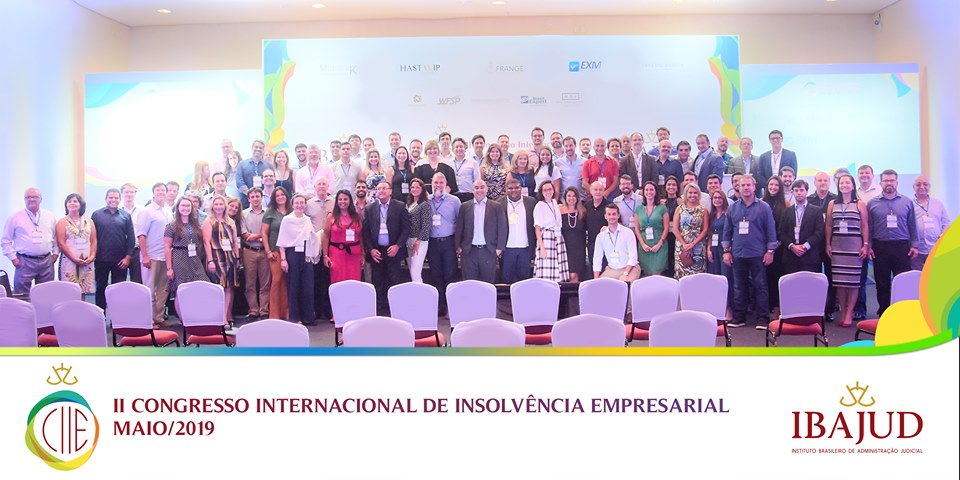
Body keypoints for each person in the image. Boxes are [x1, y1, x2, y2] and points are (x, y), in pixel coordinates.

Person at [722, 175, 778, 329]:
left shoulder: (764, 207)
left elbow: (771, 230)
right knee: (739, 287)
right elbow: (727, 231)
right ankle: (739, 318)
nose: (746, 188)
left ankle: (762, 319)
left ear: (754, 187)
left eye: (749, 185)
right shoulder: (733, 208)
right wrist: (726, 251)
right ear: (738, 188)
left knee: (761, 286)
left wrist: (770, 251)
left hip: (758, 253)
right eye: (743, 185)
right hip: (738, 253)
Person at [867, 169, 920, 316]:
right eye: (886, 180)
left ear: (897, 182)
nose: (889, 183)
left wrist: (915, 245)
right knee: (882, 282)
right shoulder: (872, 203)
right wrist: (869, 246)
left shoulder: (906, 201)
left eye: (892, 180)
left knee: (902, 281)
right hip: (880, 246)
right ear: (881, 183)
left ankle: (901, 312)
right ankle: (884, 311)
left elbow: (912, 224)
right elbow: (869, 227)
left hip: (901, 246)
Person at [825, 174, 870, 327]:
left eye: (847, 183)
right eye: (841, 183)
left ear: (852, 185)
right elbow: (829, 225)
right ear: (838, 186)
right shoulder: (832, 204)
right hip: (837, 247)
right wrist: (828, 244)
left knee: (853, 282)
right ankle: (843, 311)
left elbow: (865, 225)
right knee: (840, 282)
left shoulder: (860, 204)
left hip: (854, 247)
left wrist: (865, 245)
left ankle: (849, 312)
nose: (844, 185)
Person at [363, 182, 410, 314]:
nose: (381, 191)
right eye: (379, 189)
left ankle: (393, 308)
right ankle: (378, 309)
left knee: (393, 280)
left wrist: (398, 245)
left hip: (393, 250)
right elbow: (365, 232)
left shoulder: (400, 206)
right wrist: (371, 249)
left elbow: (406, 229)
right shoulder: (369, 208)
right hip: (377, 251)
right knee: (377, 280)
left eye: (384, 188)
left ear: (390, 191)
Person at [3, 188, 59, 294]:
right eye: (28, 197)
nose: (31, 199)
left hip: (46, 261)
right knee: (22, 295)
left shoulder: (49, 216)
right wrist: (13, 258)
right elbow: (5, 240)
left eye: (35, 197)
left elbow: (56, 237)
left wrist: (55, 253)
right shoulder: (15, 217)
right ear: (24, 200)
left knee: (46, 294)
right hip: (24, 261)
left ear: (41, 199)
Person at [278, 194, 321, 325]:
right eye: (297, 203)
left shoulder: (307, 220)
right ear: (292, 205)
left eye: (302, 203)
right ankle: (295, 318)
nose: (299, 205)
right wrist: (283, 259)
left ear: (305, 205)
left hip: (306, 254)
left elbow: (312, 237)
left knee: (308, 286)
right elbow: (281, 241)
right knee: (293, 286)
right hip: (292, 255)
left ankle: (308, 316)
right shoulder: (287, 220)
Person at [453, 179, 506, 284]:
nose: (479, 190)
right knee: (469, 284)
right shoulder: (464, 206)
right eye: (476, 188)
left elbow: (502, 228)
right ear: (472, 190)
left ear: (487, 189)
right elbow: (459, 228)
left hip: (488, 251)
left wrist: (499, 248)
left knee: (487, 284)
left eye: (482, 187)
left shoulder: (496, 206)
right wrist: (458, 246)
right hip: (469, 252)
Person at [164, 197, 210, 314]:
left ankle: (195, 315)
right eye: (183, 206)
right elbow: (167, 247)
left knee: (201, 285)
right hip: (179, 259)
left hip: (194, 259)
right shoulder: (171, 226)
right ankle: (183, 319)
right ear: (178, 208)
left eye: (188, 206)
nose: (186, 208)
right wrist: (169, 268)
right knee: (181, 291)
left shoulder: (194, 225)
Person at [91, 188, 135, 309]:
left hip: (120, 260)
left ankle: (118, 316)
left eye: (116, 198)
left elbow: (131, 238)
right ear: (106, 199)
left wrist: (127, 257)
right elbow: (92, 237)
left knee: (118, 290)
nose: (113, 200)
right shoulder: (96, 215)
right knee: (100, 288)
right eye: (111, 197)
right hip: (101, 259)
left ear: (120, 199)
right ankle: (100, 315)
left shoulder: (126, 215)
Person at [201, 194, 240, 326]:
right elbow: (206, 242)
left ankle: (224, 316)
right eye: (216, 204)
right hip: (216, 257)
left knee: (228, 288)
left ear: (225, 206)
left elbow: (235, 241)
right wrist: (210, 261)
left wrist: (237, 257)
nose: (218, 207)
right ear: (212, 206)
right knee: (218, 288)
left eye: (221, 204)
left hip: (230, 258)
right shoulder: (208, 222)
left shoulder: (230, 222)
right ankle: (218, 318)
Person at [425, 173, 461, 314]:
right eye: (436, 182)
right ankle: (440, 306)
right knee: (436, 275)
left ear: (446, 185)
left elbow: (460, 223)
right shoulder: (426, 200)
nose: (438, 185)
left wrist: (458, 244)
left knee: (450, 275)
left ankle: (451, 306)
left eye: (441, 183)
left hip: (449, 243)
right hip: (433, 243)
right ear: (432, 184)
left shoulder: (454, 201)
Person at [137, 183, 170, 324]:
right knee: (149, 289)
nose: (161, 192)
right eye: (158, 190)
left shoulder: (168, 210)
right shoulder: (147, 211)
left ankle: (159, 317)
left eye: (163, 190)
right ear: (153, 193)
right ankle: (148, 320)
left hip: (165, 257)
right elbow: (141, 235)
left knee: (163, 289)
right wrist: (145, 256)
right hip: (151, 257)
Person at [808, 171, 839, 318]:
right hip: (813, 244)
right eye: (820, 180)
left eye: (825, 180)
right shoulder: (809, 200)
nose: (823, 183)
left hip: (831, 244)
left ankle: (830, 309)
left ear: (830, 183)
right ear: (815, 182)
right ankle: (814, 309)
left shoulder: (836, 200)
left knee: (831, 277)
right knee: (814, 277)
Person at [779, 180, 825, 275]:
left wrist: (805, 246)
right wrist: (792, 246)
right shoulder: (786, 212)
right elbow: (781, 233)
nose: (799, 193)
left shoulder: (816, 211)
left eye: (801, 190)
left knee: (809, 284)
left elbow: (819, 232)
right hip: (790, 257)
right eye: (796, 190)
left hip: (810, 257)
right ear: (792, 192)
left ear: (807, 192)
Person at [306, 177, 335, 321]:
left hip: (332, 244)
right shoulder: (308, 204)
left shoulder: (334, 202)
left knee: (329, 278)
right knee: (316, 278)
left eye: (324, 184)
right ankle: (317, 309)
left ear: (328, 186)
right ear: (315, 187)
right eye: (319, 184)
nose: (322, 186)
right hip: (314, 245)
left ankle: (329, 309)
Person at [55, 193, 96, 294]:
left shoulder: (89, 221)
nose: (72, 203)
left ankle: (82, 305)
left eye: (75, 201)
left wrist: (92, 256)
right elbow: (61, 243)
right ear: (66, 205)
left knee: (84, 290)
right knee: (69, 291)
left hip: (86, 261)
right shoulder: (62, 222)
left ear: (81, 204)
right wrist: (74, 258)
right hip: (69, 261)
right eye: (69, 201)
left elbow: (93, 241)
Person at [498, 178, 537, 284]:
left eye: (516, 188)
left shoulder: (531, 202)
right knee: (506, 280)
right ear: (506, 189)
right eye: (510, 188)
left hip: (525, 248)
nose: (514, 190)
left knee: (524, 281)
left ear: (521, 188)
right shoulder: (499, 203)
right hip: (507, 249)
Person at [261, 187, 291, 320]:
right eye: (277, 195)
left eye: (282, 194)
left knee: (286, 282)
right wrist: (268, 251)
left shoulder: (292, 211)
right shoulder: (270, 212)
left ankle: (286, 313)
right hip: (275, 251)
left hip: (291, 251)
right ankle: (274, 314)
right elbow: (264, 233)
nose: (280, 197)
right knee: (277, 280)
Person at [240, 187, 270, 320]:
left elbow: (269, 232)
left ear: (261, 197)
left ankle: (264, 310)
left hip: (265, 251)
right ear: (248, 199)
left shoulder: (268, 212)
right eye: (252, 197)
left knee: (265, 283)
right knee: (250, 283)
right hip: (249, 251)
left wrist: (256, 236)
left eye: (257, 196)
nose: (255, 199)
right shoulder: (243, 214)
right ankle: (253, 310)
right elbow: (245, 234)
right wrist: (261, 236)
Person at [323, 190, 364, 284]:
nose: (343, 201)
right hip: (337, 254)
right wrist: (325, 255)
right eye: (340, 199)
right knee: (338, 280)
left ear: (350, 201)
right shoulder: (331, 216)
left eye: (345, 199)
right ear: (337, 201)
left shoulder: (356, 216)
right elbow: (325, 236)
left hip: (354, 254)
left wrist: (363, 254)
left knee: (354, 281)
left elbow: (360, 236)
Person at [762, 176, 789, 314]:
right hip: (763, 246)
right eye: (771, 184)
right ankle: (767, 307)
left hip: (780, 246)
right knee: (765, 278)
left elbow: (787, 225)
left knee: (778, 276)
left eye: (776, 185)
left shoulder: (785, 203)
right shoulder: (761, 202)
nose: (773, 187)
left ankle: (778, 308)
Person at [912, 175, 951, 271]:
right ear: (913, 187)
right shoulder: (909, 204)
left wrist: (942, 237)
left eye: (925, 184)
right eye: (918, 184)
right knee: (917, 276)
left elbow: (946, 223)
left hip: (935, 248)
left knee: (935, 274)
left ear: (929, 186)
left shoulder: (938, 204)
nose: (922, 187)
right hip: (917, 250)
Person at [533, 180, 570, 282]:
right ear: (541, 192)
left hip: (558, 237)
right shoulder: (540, 205)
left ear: (553, 190)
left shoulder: (555, 203)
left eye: (550, 189)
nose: (548, 192)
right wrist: (542, 248)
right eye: (545, 190)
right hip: (547, 239)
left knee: (558, 269)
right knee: (547, 269)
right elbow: (537, 229)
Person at [593, 203, 640, 281]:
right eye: (609, 214)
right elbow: (597, 259)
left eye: (614, 214)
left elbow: (633, 257)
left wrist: (625, 273)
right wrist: (596, 279)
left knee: (624, 283)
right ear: (605, 216)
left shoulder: (628, 232)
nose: (612, 217)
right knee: (601, 285)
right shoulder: (601, 236)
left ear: (618, 215)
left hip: (630, 268)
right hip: (611, 270)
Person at [706, 189, 733, 316]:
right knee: (714, 279)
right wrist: (708, 249)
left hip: (724, 249)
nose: (717, 200)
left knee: (725, 279)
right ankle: (717, 308)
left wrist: (729, 250)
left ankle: (728, 309)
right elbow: (710, 234)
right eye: (715, 198)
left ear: (724, 199)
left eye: (719, 198)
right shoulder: (711, 215)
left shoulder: (728, 214)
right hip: (714, 249)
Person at [673, 183, 709, 278]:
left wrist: (692, 244)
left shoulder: (703, 210)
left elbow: (705, 230)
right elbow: (675, 229)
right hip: (682, 247)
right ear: (686, 194)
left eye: (695, 193)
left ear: (699, 194)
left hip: (698, 247)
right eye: (690, 193)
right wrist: (684, 244)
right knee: (682, 275)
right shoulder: (679, 208)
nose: (693, 195)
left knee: (697, 276)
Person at [635, 181, 670, 277]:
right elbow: (637, 229)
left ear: (655, 192)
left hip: (659, 243)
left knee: (657, 272)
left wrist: (659, 244)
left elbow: (666, 227)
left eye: (651, 190)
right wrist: (642, 244)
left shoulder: (662, 208)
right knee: (646, 273)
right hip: (644, 244)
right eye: (646, 190)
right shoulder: (638, 209)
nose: (649, 192)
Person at [405, 178, 433, 283]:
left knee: (415, 272)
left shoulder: (425, 204)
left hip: (419, 241)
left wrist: (418, 241)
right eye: (412, 187)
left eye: (417, 187)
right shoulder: (409, 203)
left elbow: (426, 225)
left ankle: (420, 292)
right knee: (411, 270)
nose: (414, 189)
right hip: (408, 240)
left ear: (422, 189)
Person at [560, 187, 587, 282]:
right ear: (565, 197)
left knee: (575, 275)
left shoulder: (582, 211)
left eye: (574, 196)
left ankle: (575, 292)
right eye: (569, 196)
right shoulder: (559, 210)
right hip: (564, 248)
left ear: (577, 198)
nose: (571, 198)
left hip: (579, 249)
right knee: (567, 275)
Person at [757, 130, 798, 194]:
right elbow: (760, 175)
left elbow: (794, 173)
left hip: (785, 190)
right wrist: (770, 186)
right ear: (770, 140)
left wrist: (783, 185)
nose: (775, 140)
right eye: (773, 138)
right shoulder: (763, 156)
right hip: (769, 191)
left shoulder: (791, 155)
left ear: (782, 139)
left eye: (777, 138)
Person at [236, 139, 273, 208]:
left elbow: (272, 182)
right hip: (246, 201)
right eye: (256, 147)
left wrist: (260, 196)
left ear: (263, 150)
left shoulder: (269, 166)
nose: (258, 149)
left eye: (260, 148)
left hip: (264, 202)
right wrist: (250, 194)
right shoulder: (242, 164)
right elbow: (239, 181)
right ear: (252, 148)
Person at [119, 183, 143, 283]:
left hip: (137, 251)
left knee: (137, 282)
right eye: (126, 192)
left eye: (131, 192)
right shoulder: (116, 210)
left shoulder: (142, 210)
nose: (129, 194)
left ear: (135, 194)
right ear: (122, 193)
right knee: (119, 281)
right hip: (120, 251)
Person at [450, 138, 480, 202]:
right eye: (456, 147)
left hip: (468, 195)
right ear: (452, 149)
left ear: (465, 148)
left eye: (461, 147)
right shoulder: (449, 163)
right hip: (453, 195)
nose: (459, 149)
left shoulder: (473, 163)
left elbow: (477, 180)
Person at [662, 176, 681, 278]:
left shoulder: (681, 202)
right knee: (667, 259)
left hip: (676, 235)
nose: (671, 187)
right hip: (664, 235)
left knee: (676, 259)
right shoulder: (661, 202)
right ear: (665, 187)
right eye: (669, 184)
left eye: (674, 185)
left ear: (677, 188)